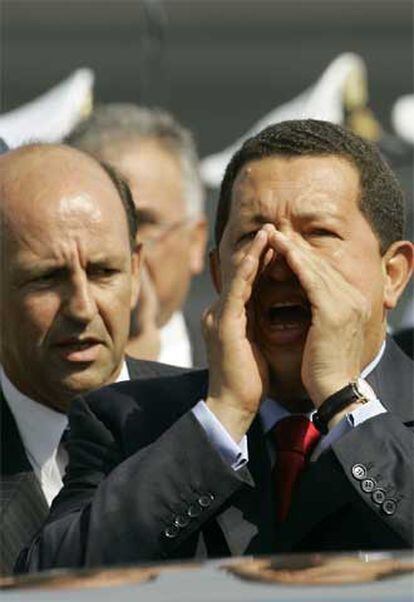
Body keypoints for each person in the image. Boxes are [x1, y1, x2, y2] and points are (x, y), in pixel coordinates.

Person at [18, 120, 414, 571]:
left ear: (393, 274)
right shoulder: (126, 420)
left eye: (317, 234)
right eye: (252, 237)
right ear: (217, 274)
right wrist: (221, 419)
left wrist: (345, 401)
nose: (281, 263)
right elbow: (49, 579)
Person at [0, 143, 184, 573]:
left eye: (104, 272)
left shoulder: (220, 427)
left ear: (136, 272)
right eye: (46, 278)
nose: (82, 307)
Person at [66, 104, 207, 367]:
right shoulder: (18, 371)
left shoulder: (247, 368)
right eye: (95, 218)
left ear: (196, 242)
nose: (118, 246)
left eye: (142, 221)